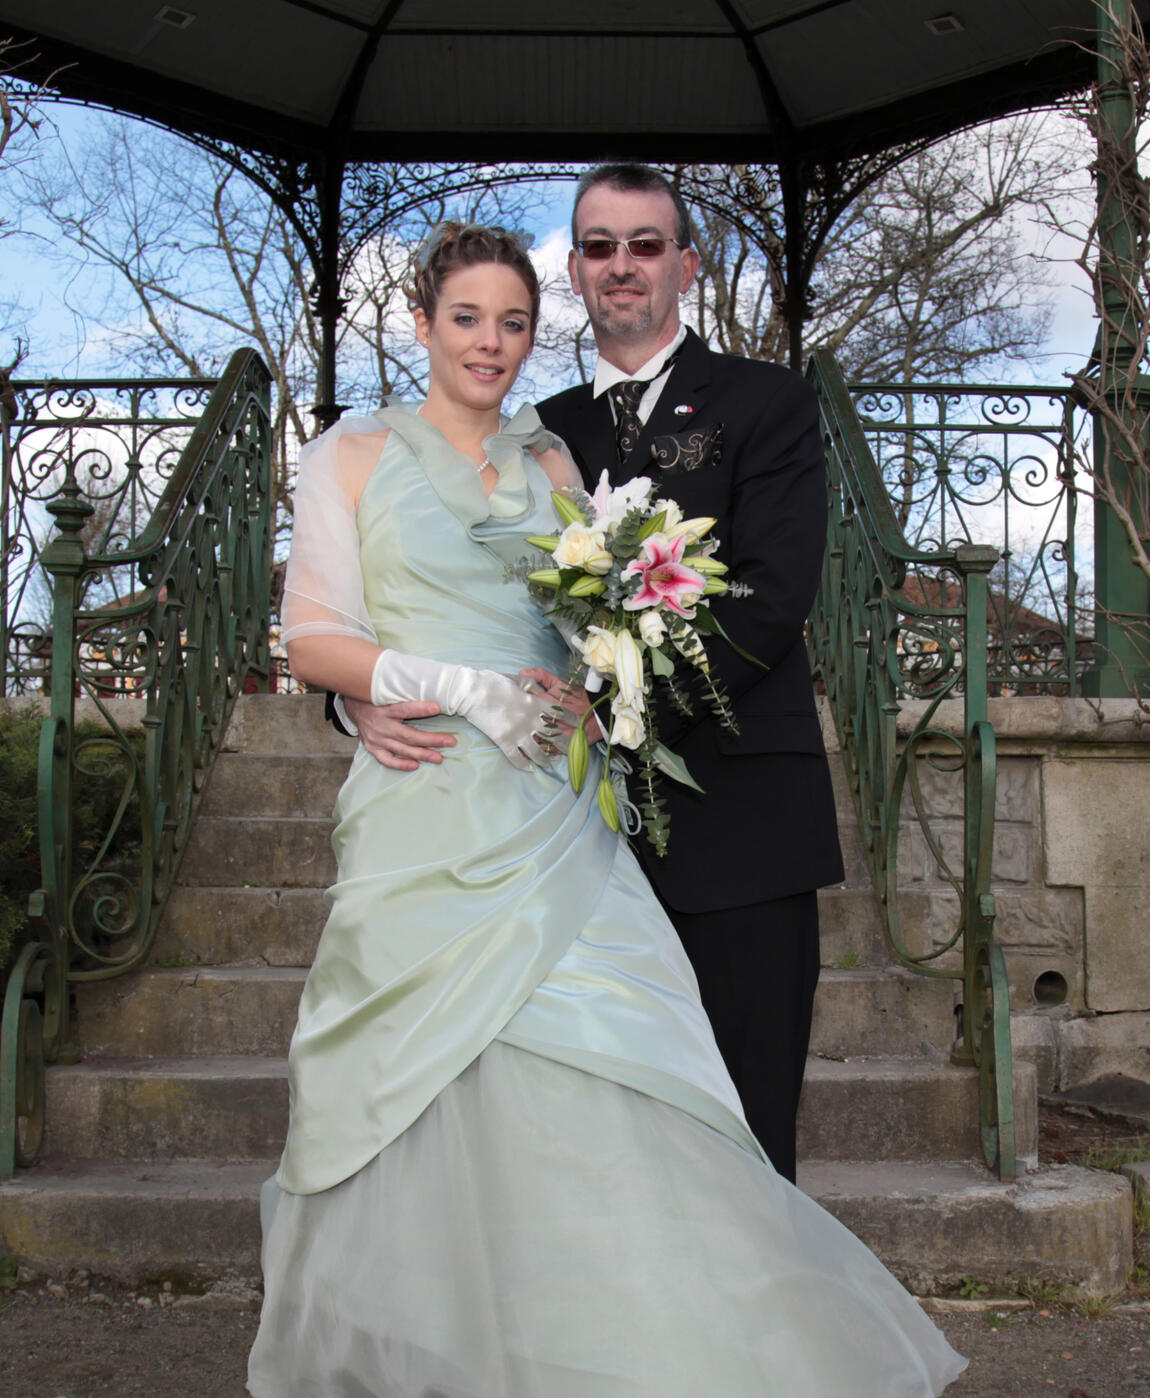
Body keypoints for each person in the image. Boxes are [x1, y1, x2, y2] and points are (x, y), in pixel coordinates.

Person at [246, 222, 962, 1398]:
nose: (487, 341)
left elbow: (601, 615)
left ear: (535, 332)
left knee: (615, 1072)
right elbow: (311, 633)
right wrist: (417, 691)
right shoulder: (346, 454)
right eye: (465, 316)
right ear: (423, 322)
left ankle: (625, 1372)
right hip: (424, 803)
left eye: (511, 322)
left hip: (553, 802)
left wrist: (604, 680)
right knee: (434, 1094)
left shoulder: (556, 457)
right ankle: (447, 1389)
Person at [344, 166, 842, 1181]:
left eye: (646, 244)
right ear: (575, 268)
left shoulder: (769, 403)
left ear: (687, 265)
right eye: (601, 247)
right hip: (556, 837)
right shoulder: (535, 430)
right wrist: (357, 689)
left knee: (747, 1120)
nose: (624, 266)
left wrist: (618, 703)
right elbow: (444, 582)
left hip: (739, 817)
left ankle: (751, 1332)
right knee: (597, 1144)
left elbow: (774, 595)